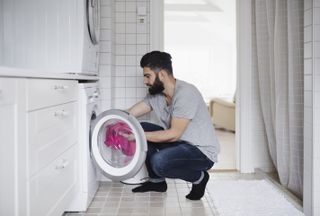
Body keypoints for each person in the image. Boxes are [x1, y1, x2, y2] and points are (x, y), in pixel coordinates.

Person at [127, 51, 220, 200]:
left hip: (200, 152)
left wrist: (137, 135)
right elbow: (130, 114)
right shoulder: (156, 94)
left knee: (159, 161)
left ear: (162, 74)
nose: (145, 81)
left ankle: (200, 178)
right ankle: (157, 183)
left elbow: (174, 134)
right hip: (180, 144)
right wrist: (112, 121)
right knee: (140, 126)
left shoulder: (186, 93)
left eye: (147, 76)